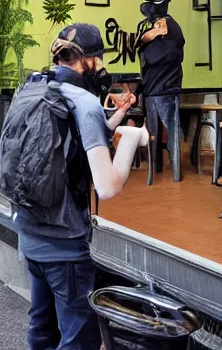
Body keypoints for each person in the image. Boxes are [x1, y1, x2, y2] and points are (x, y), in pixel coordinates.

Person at [10, 23, 149, 350]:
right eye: (99, 60)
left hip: (29, 232)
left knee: (42, 327)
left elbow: (69, 140)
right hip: (64, 244)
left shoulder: (32, 88)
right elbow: (108, 187)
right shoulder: (85, 103)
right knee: (79, 339)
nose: (102, 69)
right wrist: (130, 139)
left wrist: (115, 117)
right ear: (87, 61)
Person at [135, 0, 185, 182]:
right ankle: (165, 171)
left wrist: (157, 31)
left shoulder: (169, 28)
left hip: (164, 87)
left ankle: (172, 172)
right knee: (162, 130)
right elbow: (143, 40)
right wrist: (154, 32)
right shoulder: (159, 30)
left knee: (169, 129)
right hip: (157, 87)